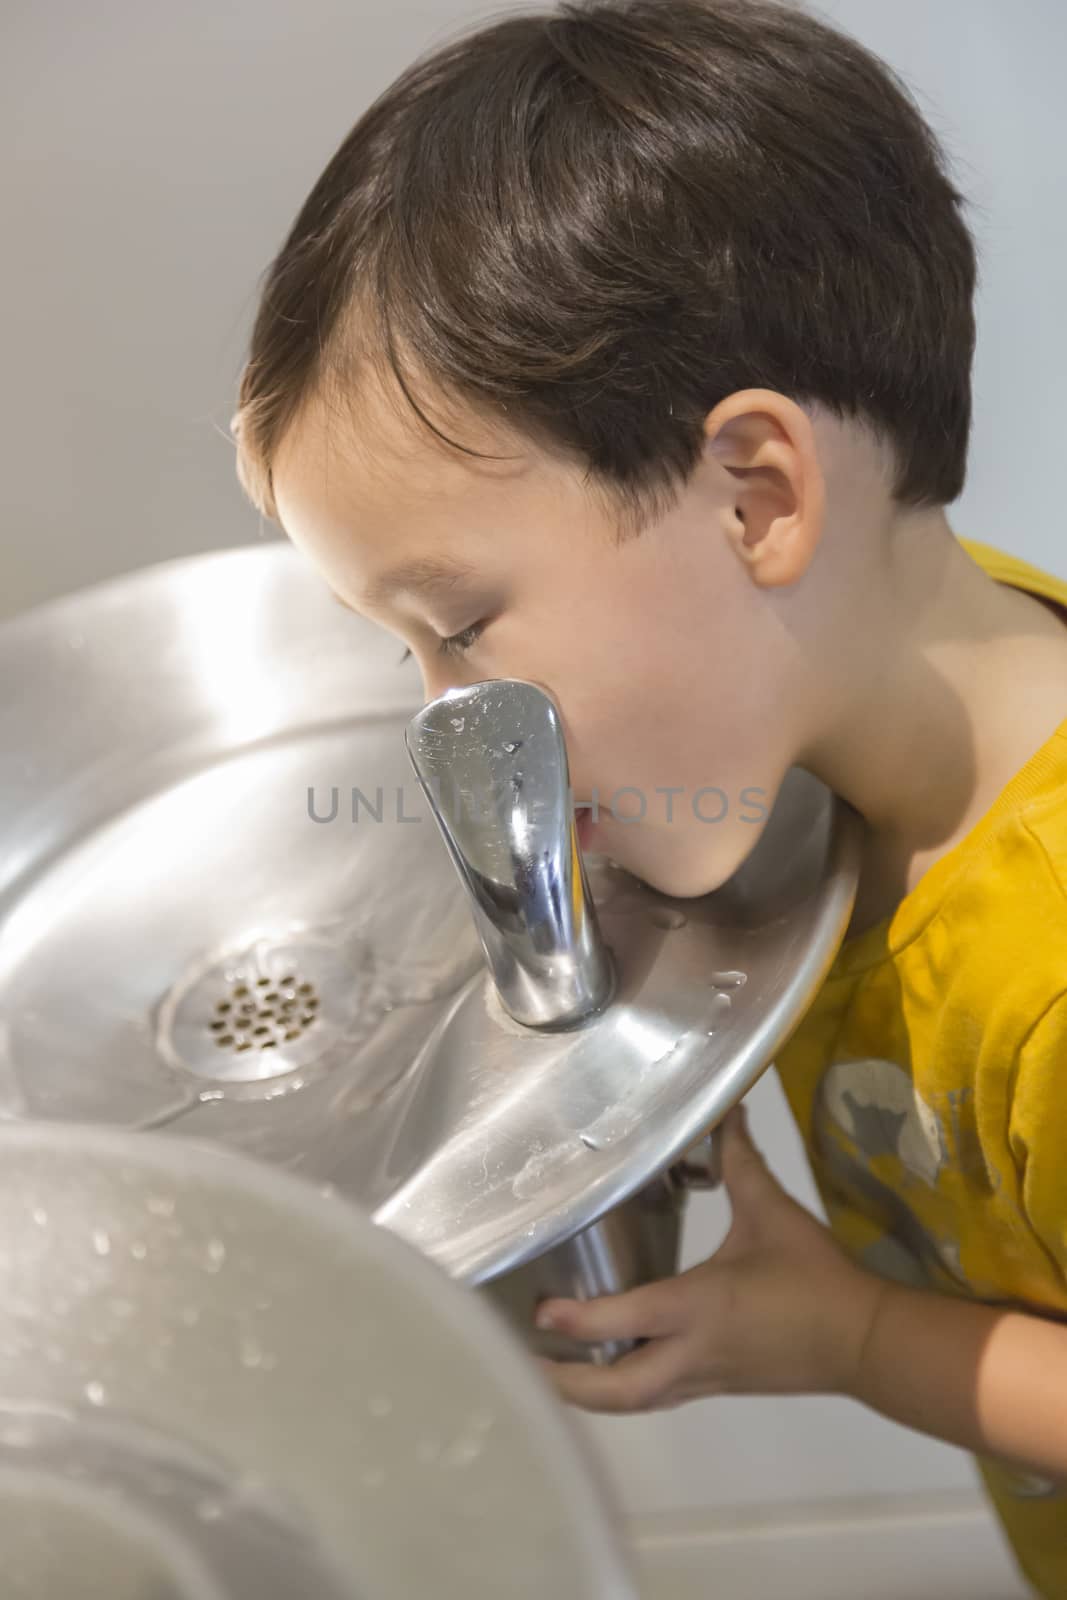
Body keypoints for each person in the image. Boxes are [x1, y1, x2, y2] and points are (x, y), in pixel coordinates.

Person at [228, 0, 1067, 1589]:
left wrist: (861, 1333)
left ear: (757, 497)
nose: (448, 728)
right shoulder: (875, 683)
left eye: (463, 627)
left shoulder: (1053, 983)